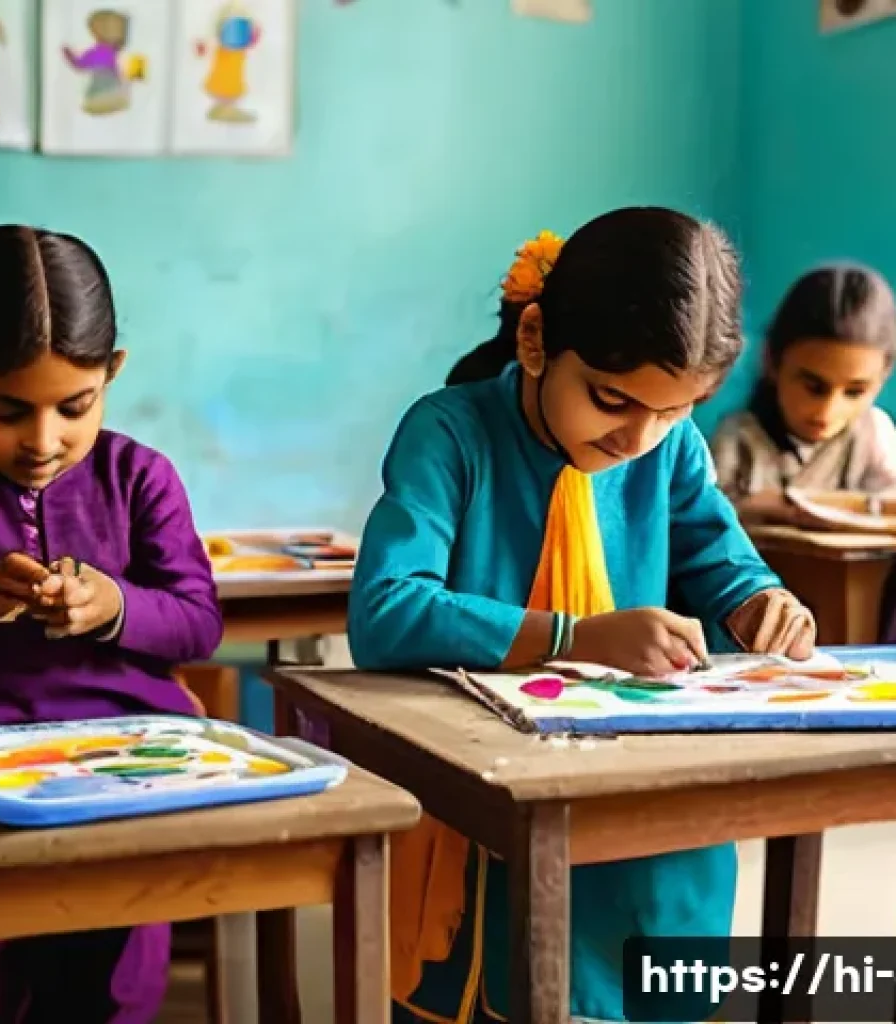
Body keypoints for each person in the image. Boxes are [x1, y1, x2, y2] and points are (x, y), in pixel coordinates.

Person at [348, 209, 817, 1023]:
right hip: (489, 768)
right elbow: (387, 609)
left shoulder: (670, 449)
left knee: (665, 901)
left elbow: (722, 559)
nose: (638, 438)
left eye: (675, 411)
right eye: (611, 399)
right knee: (518, 962)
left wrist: (761, 603)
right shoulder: (451, 433)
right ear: (535, 341)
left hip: (625, 759)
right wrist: (575, 636)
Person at [0, 224, 222, 1023]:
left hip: (126, 767)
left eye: (75, 406)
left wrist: (114, 606)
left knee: (112, 982)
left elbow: (198, 622)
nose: (42, 441)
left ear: (112, 373)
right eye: (6, 410)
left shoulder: (140, 478)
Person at [711, 264, 896, 507]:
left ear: (882, 379)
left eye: (855, 392)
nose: (827, 411)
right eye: (814, 387)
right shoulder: (738, 438)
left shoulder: (873, 433)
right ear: (772, 362)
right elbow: (710, 513)